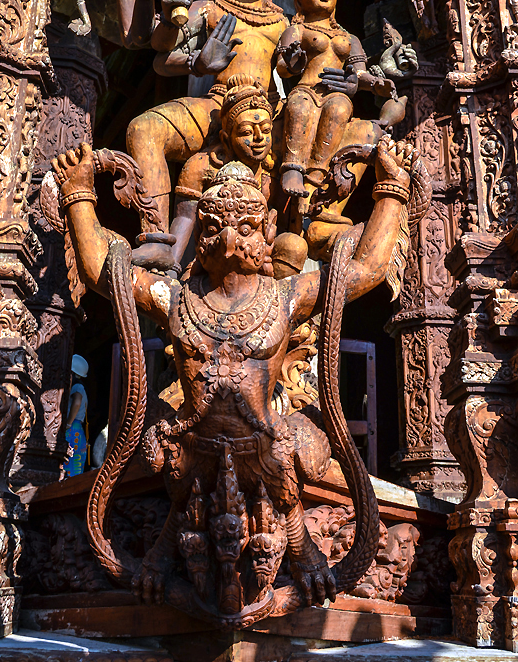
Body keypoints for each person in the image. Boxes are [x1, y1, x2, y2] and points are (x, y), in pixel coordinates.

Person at [53, 135, 419, 608]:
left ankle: (300, 545)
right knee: (159, 447)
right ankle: (165, 549)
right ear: (198, 238)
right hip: (192, 449)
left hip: (269, 450)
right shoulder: (177, 299)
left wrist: (391, 187)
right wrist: (80, 192)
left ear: (267, 231)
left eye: (245, 227)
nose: (229, 239)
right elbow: (105, 271)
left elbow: (366, 269)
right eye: (213, 228)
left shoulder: (286, 297)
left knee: (298, 450)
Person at [96, 0, 289, 244]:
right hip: (216, 105)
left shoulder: (282, 23)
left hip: (266, 114)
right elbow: (161, 57)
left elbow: (291, 68)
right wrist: (199, 63)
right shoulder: (209, 9)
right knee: (144, 129)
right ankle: (155, 236)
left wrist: (295, 61)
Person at [276, 0, 398, 199]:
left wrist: (375, 84)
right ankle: (292, 168)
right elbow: (282, 68)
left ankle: (318, 172)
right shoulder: (296, 30)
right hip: (306, 88)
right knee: (299, 107)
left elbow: (359, 74)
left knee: (340, 109)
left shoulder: (349, 38)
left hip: (336, 93)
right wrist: (294, 64)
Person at [167, 73, 308, 278]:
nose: (259, 138)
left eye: (266, 130)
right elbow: (185, 219)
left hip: (259, 258)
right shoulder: (201, 167)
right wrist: (170, 269)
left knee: (294, 245)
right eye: (247, 132)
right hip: (213, 255)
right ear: (226, 138)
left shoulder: (274, 175)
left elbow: (287, 226)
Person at [64, 354, 89, 477]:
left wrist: (68, 423)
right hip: (78, 430)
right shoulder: (81, 387)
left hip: (72, 429)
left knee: (68, 464)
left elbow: (77, 402)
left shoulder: (77, 386)